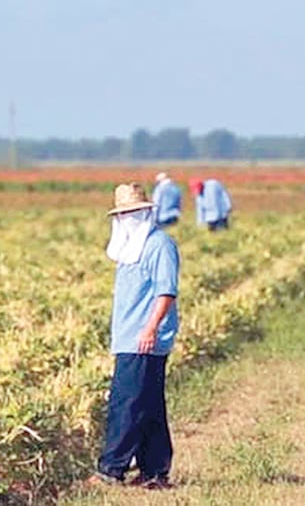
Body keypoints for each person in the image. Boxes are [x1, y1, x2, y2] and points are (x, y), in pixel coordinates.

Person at [93, 183, 179, 489]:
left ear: (145, 212)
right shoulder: (129, 249)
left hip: (144, 338)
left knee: (125, 402)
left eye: (133, 212)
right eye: (123, 213)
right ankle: (155, 470)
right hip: (129, 336)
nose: (128, 218)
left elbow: (165, 291)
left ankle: (111, 468)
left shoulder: (159, 245)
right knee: (148, 403)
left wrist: (151, 327)